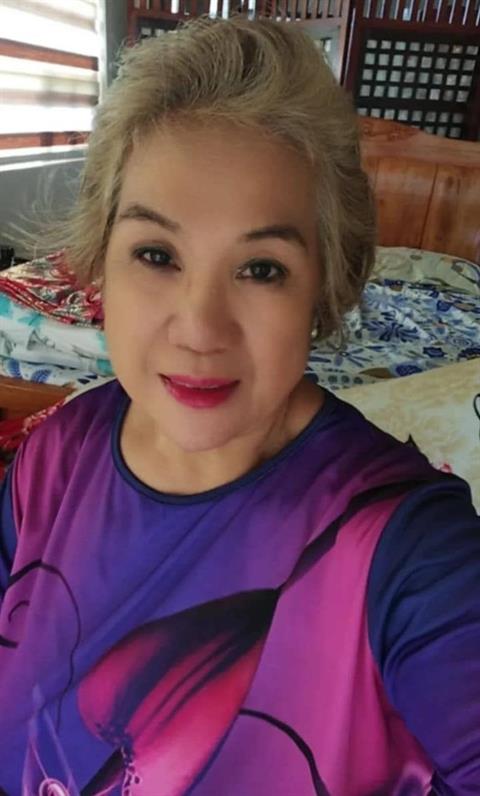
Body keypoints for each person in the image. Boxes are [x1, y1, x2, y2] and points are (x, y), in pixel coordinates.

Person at [0, 15, 479, 796]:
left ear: (323, 291)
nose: (200, 329)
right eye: (157, 254)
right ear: (98, 267)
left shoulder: (408, 550)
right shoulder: (53, 459)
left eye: (261, 269)